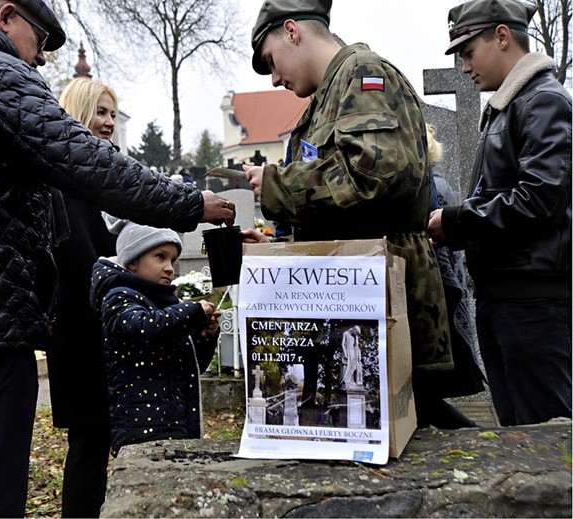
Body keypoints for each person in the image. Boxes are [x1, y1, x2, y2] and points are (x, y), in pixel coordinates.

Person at [0, 0, 235, 516]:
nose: (39, 60)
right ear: (6, 16)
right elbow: (90, 164)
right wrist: (189, 202)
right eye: (39, 41)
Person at [244, 0, 463, 428]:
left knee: (411, 431)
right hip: (355, 299)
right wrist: (277, 249)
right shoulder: (326, 97)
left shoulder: (364, 75)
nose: (274, 78)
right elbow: (337, 209)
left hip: (386, 302)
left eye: (271, 60)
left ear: (292, 32)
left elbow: (379, 173)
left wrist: (278, 184)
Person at [427, 0, 571, 426]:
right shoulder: (508, 107)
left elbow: (538, 200)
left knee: (548, 440)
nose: (465, 67)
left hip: (533, 305)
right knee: (518, 437)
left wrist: (457, 221)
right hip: (503, 299)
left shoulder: (544, 101)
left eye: (469, 52)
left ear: (502, 36)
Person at [45, 77, 118, 518]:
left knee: (95, 442)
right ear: (77, 113)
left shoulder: (94, 175)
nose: (108, 122)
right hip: (80, 333)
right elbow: (82, 261)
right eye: (100, 112)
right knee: (89, 445)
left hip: (93, 331)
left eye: (112, 114)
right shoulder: (67, 180)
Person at [90, 218, 220, 455]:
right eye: (160, 257)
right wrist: (191, 311)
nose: (170, 267)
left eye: (172, 259)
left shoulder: (166, 306)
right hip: (140, 431)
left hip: (176, 426)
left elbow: (191, 368)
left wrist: (204, 337)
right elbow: (142, 328)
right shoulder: (118, 297)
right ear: (133, 263)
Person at [415, 123, 487, 429]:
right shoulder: (437, 182)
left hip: (439, 295)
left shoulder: (433, 185)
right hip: (445, 292)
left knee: (425, 397)